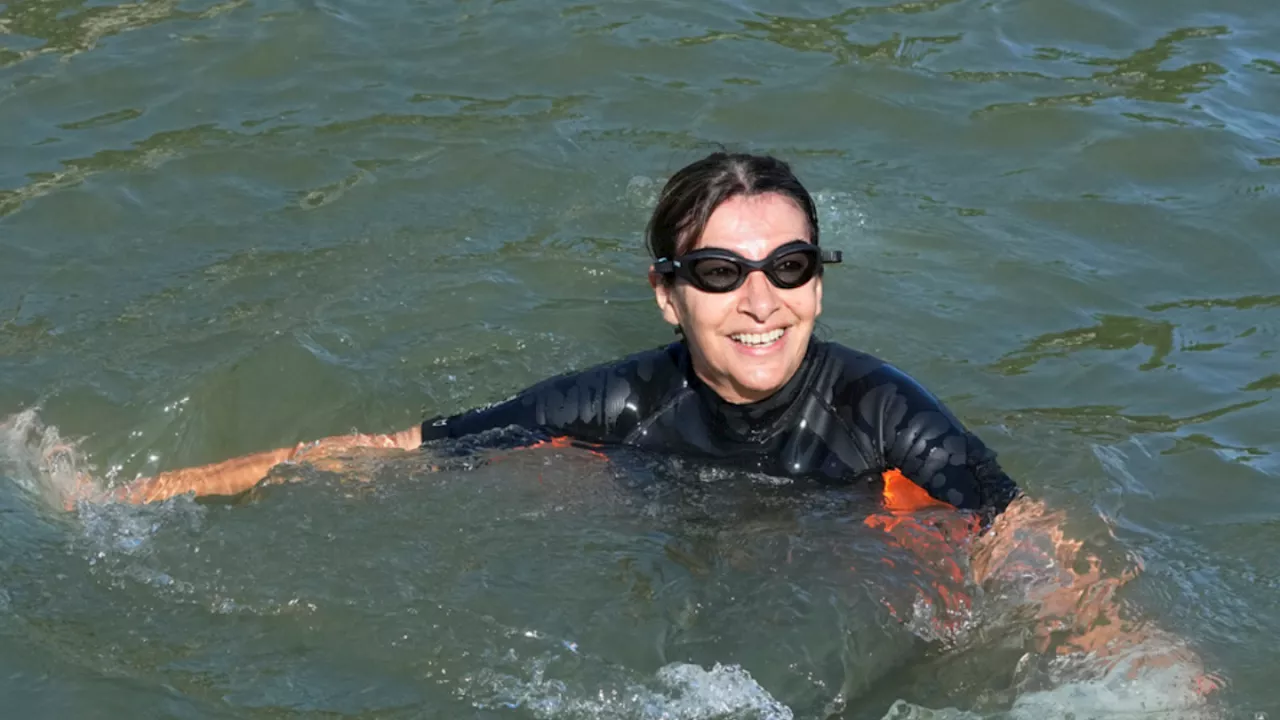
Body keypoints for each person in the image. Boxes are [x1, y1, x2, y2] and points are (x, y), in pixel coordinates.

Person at [102, 152, 1020, 522]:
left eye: (789, 267)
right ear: (668, 295)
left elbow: (1026, 536)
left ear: (817, 283)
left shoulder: (881, 412)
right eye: (718, 273)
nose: (760, 301)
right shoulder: (618, 404)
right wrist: (134, 495)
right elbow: (386, 452)